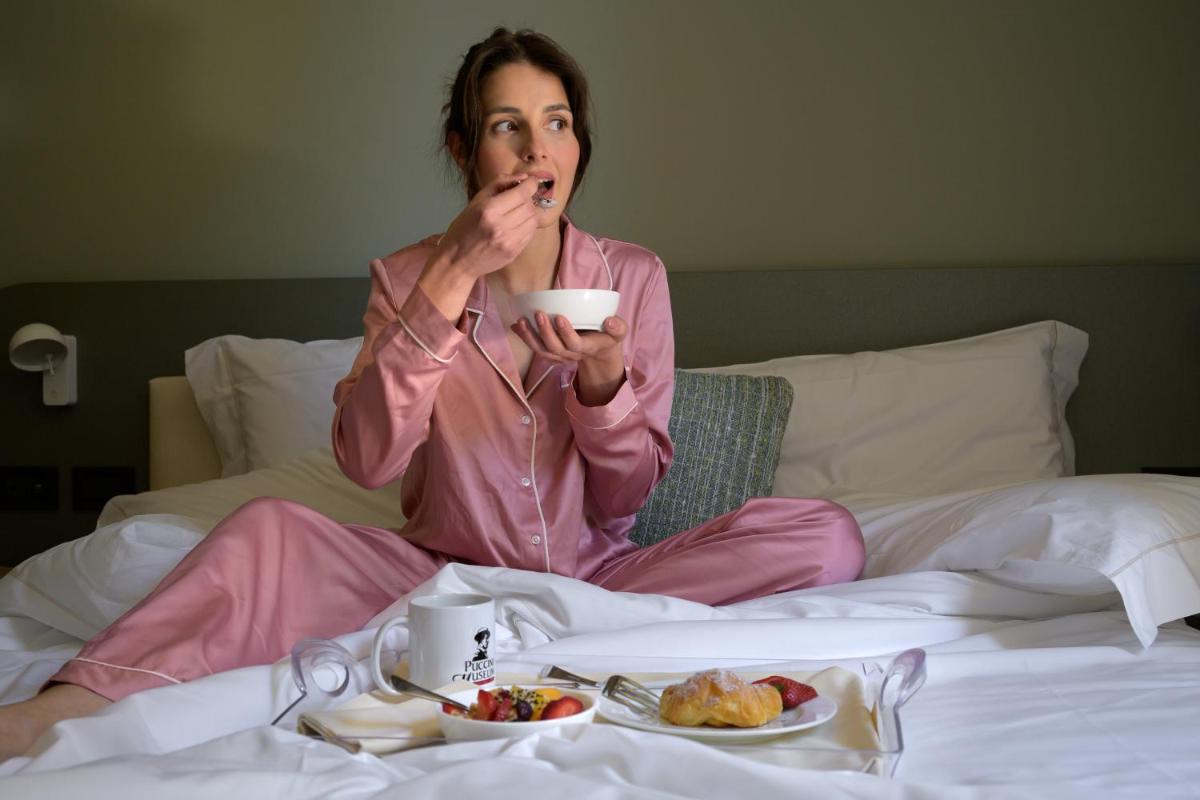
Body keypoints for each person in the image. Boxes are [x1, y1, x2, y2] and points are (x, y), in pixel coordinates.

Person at [0, 27, 864, 759]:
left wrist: (603, 383)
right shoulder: (409, 275)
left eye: (558, 123)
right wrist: (451, 271)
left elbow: (626, 498)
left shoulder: (631, 277)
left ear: (578, 144)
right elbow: (368, 459)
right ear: (463, 149)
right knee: (266, 529)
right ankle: (61, 708)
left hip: (602, 580)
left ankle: (560, 632)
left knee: (825, 534)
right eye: (507, 126)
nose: (538, 151)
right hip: (433, 582)